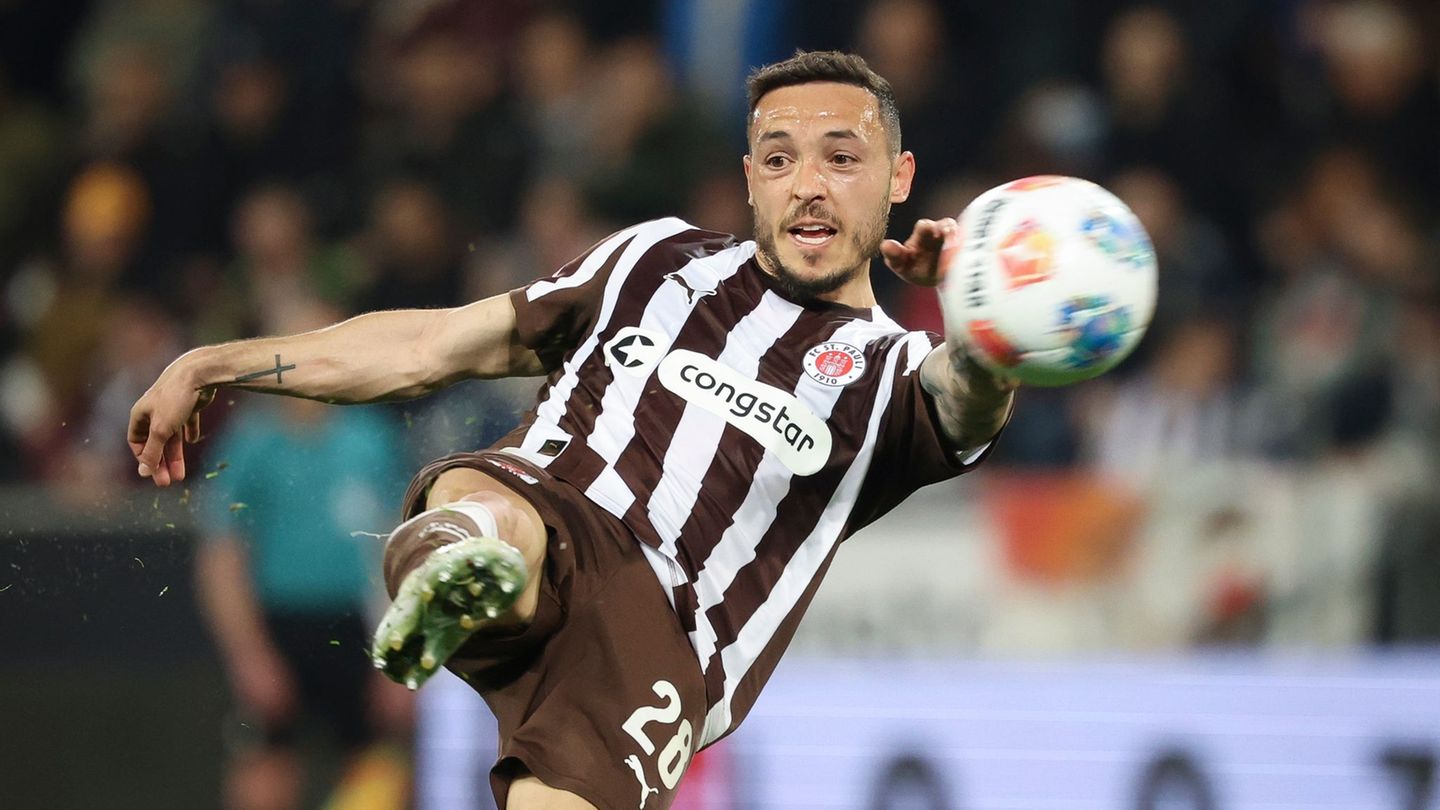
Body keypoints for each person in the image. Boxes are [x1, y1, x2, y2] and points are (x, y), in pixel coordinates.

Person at [129, 51, 1016, 810]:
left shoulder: (892, 370)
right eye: (779, 159)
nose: (808, 184)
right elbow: (430, 345)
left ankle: (460, 568)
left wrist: (979, 317)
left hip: (663, 641)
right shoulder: (654, 260)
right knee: (486, 497)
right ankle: (464, 565)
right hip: (551, 505)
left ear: (899, 179)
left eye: (842, 157)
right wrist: (214, 363)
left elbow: (970, 398)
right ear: (750, 176)